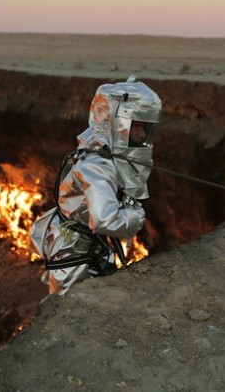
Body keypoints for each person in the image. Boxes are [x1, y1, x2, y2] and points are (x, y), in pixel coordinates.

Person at [30, 75, 162, 294]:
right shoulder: (95, 166)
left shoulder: (106, 151)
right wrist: (136, 217)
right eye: (136, 127)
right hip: (73, 252)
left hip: (90, 245)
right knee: (73, 310)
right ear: (117, 124)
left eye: (145, 128)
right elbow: (105, 219)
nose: (141, 135)